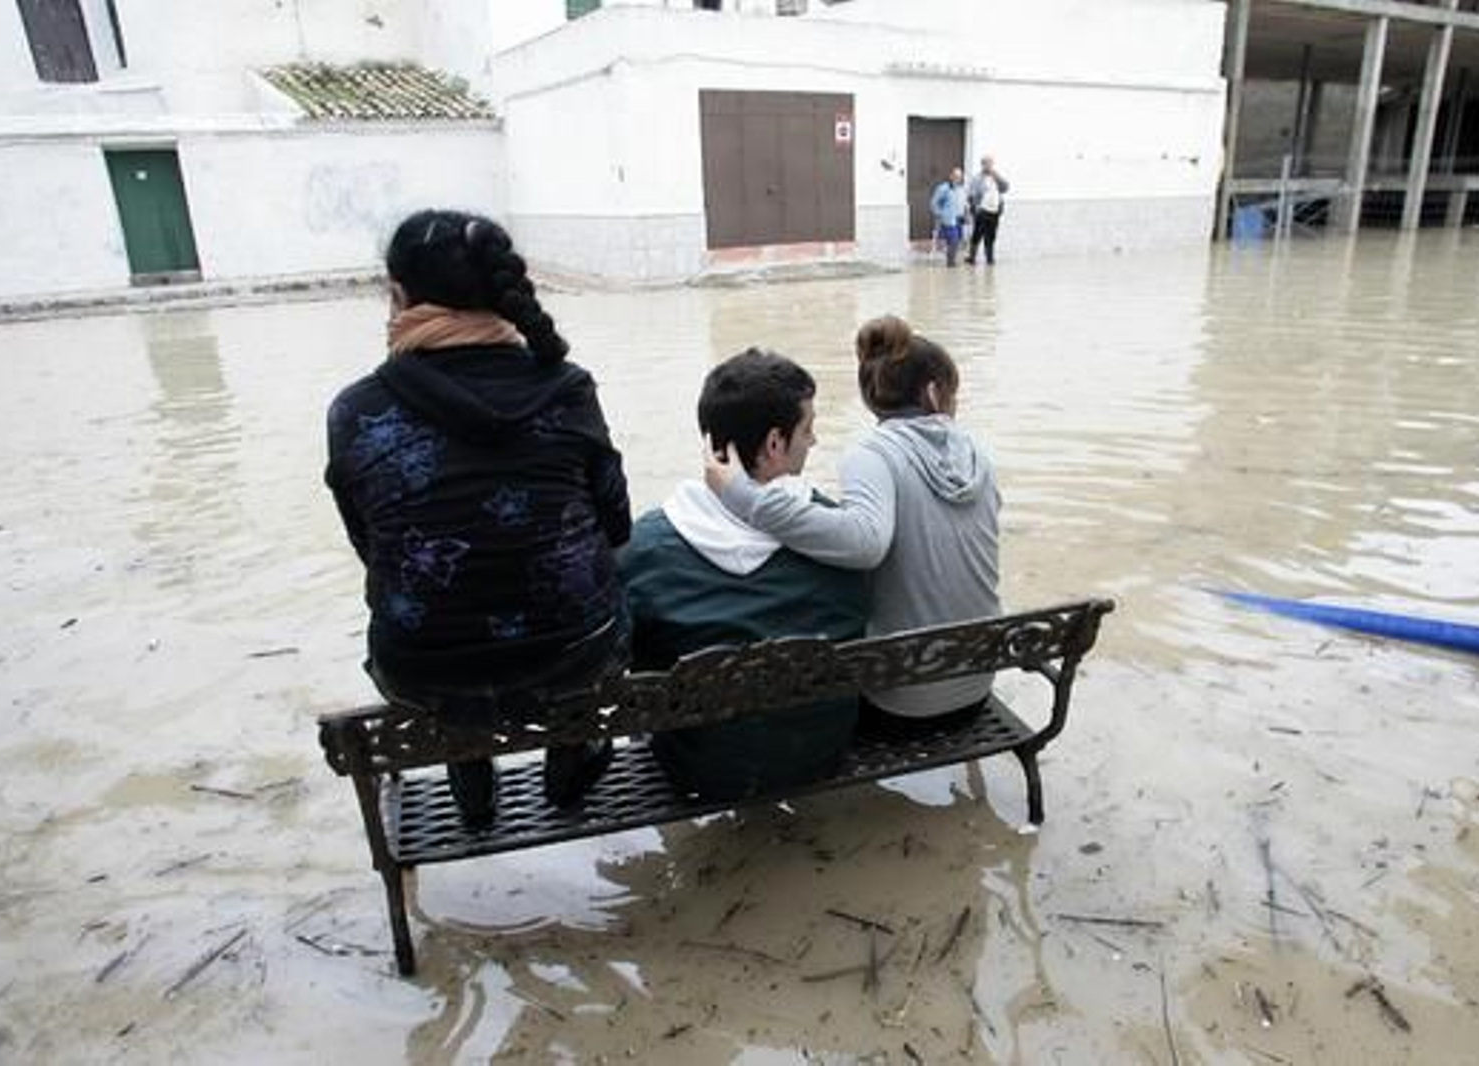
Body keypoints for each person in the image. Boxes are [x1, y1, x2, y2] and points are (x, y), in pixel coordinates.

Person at [325, 209, 630, 826]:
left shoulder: (354, 412)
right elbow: (617, 526)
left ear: (398, 295)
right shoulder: (569, 388)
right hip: (577, 657)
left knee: (439, 610)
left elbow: (373, 547)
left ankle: (470, 778)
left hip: (420, 670)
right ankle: (571, 761)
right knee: (608, 589)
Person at [705, 316, 999, 735]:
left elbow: (864, 544)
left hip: (903, 708)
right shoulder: (977, 455)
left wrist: (743, 496)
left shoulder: (872, 453)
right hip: (977, 688)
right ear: (935, 392)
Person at [619, 349, 867, 800]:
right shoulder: (842, 538)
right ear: (775, 444)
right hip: (821, 754)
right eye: (807, 429)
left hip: (702, 772)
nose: (813, 441)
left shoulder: (646, 546)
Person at [966, 155, 1010, 266]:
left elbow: (1005, 188)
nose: (988, 166)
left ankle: (990, 258)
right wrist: (974, 209)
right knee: (977, 234)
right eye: (986, 164)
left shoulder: (996, 177)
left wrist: (996, 175)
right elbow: (971, 195)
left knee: (991, 236)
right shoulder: (977, 178)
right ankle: (972, 257)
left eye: (990, 164)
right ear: (982, 165)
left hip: (994, 211)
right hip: (982, 211)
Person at [930, 167, 968, 268]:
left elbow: (964, 203)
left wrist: (967, 215)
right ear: (951, 176)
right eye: (955, 176)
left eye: (960, 177)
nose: (957, 178)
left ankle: (951, 261)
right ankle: (951, 263)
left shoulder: (962, 189)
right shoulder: (943, 188)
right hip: (948, 219)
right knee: (953, 240)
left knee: (957, 241)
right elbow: (934, 203)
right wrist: (940, 214)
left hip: (959, 219)